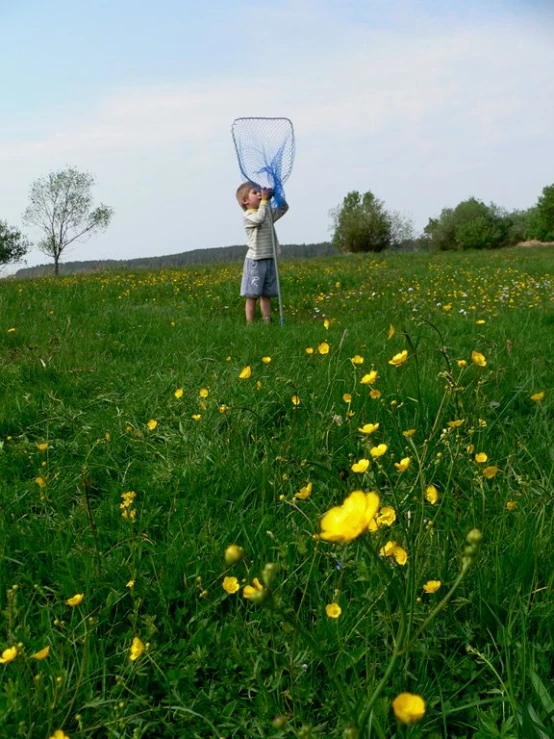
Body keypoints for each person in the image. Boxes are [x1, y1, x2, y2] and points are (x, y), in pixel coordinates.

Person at [236, 182, 289, 324]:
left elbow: (284, 208)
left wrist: (277, 196)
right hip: (255, 260)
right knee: (252, 295)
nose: (260, 194)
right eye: (255, 192)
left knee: (267, 294)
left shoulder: (266, 211)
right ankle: (250, 323)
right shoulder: (248, 215)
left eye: (260, 192)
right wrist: (265, 201)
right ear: (245, 201)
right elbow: (259, 218)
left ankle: (267, 321)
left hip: (270, 258)